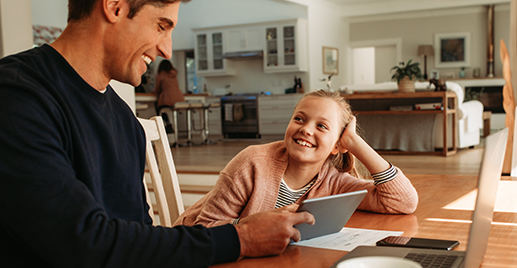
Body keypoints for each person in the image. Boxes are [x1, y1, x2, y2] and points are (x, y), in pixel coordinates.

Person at [0, 0, 314, 267]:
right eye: (161, 25)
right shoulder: (9, 96)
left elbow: (134, 236)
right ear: (115, 6)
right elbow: (81, 244)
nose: (166, 48)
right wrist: (240, 239)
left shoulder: (123, 119)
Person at [175, 90, 419, 227]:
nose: (306, 129)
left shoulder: (335, 183)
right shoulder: (252, 162)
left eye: (322, 126)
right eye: (299, 119)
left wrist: (356, 144)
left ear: (337, 145)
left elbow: (403, 202)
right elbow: (203, 230)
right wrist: (256, 225)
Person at [153, 59, 185, 130]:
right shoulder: (174, 74)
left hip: (168, 99)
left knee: (159, 107)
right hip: (179, 99)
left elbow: (157, 88)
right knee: (161, 107)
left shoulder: (161, 74)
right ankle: (168, 124)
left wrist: (154, 91)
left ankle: (166, 124)